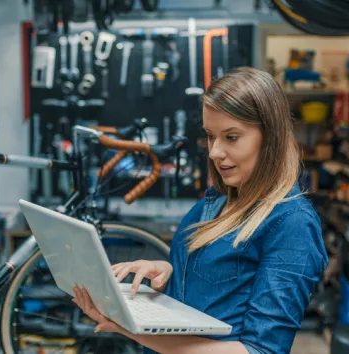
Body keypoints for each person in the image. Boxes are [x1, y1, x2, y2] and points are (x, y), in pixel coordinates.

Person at [72, 67, 329, 354]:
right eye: (210, 136)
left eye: (231, 137)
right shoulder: (216, 202)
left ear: (270, 137)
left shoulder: (291, 224)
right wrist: (166, 273)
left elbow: (260, 350)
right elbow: (219, 287)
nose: (214, 152)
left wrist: (128, 327)